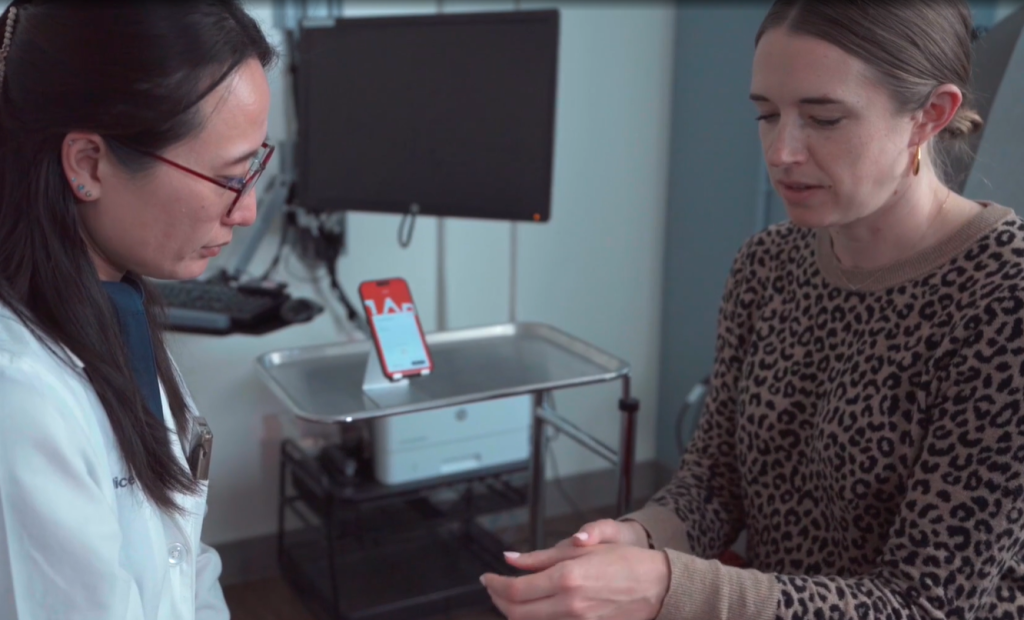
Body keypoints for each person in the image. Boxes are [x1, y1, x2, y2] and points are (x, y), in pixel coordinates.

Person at [481, 1, 1024, 618]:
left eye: (823, 119)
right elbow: (715, 483)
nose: (782, 150)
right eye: (767, 115)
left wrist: (666, 586)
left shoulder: (1004, 299)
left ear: (930, 115)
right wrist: (640, 535)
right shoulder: (768, 264)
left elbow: (926, 605)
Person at [0, 1, 275, 618]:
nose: (247, 210)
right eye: (231, 177)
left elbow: (185, 560)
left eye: (255, 166)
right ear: (89, 164)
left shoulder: (115, 310)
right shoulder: (20, 399)